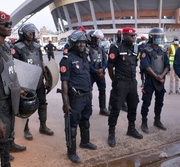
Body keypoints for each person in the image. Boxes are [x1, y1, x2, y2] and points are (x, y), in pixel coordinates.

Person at [60, 30, 97, 163]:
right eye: (79, 42)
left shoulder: (85, 57)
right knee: (72, 126)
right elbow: (64, 82)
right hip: (75, 98)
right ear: (73, 43)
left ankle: (85, 142)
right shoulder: (67, 59)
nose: (82, 45)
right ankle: (71, 152)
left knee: (85, 121)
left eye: (83, 42)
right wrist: (66, 103)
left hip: (87, 95)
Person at [12, 23, 54, 141]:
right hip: (26, 82)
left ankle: (43, 126)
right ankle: (26, 129)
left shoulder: (36, 46)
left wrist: (46, 78)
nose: (31, 34)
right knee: (25, 105)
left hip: (38, 79)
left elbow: (41, 62)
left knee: (43, 103)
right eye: (29, 32)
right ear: (23, 34)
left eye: (32, 32)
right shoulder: (17, 48)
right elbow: (15, 67)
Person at [107, 27, 143, 148]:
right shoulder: (116, 48)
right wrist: (115, 81)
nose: (134, 38)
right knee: (116, 107)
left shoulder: (135, 48)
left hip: (132, 82)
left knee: (133, 106)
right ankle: (111, 133)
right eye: (131, 36)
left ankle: (131, 129)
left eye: (134, 36)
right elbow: (110, 67)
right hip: (121, 83)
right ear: (125, 36)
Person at [0, 10, 24, 166]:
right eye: (6, 24)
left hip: (9, 99)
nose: (10, 27)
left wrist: (19, 88)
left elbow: (10, 73)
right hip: (0, 104)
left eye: (11, 24)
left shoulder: (6, 48)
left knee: (6, 137)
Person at [140, 27, 170, 133]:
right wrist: (156, 76)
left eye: (161, 37)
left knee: (159, 102)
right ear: (152, 38)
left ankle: (157, 120)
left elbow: (167, 65)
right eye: (158, 37)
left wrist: (161, 76)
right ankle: (144, 122)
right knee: (146, 102)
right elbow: (146, 65)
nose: (160, 39)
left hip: (160, 81)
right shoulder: (146, 50)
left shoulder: (162, 51)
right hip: (150, 81)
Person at [88, 30, 110, 116]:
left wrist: (103, 68)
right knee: (88, 91)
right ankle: (88, 109)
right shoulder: (87, 49)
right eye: (97, 38)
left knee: (102, 90)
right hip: (91, 74)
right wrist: (95, 70)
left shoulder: (100, 48)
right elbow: (87, 63)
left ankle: (103, 108)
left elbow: (105, 59)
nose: (98, 40)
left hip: (100, 73)